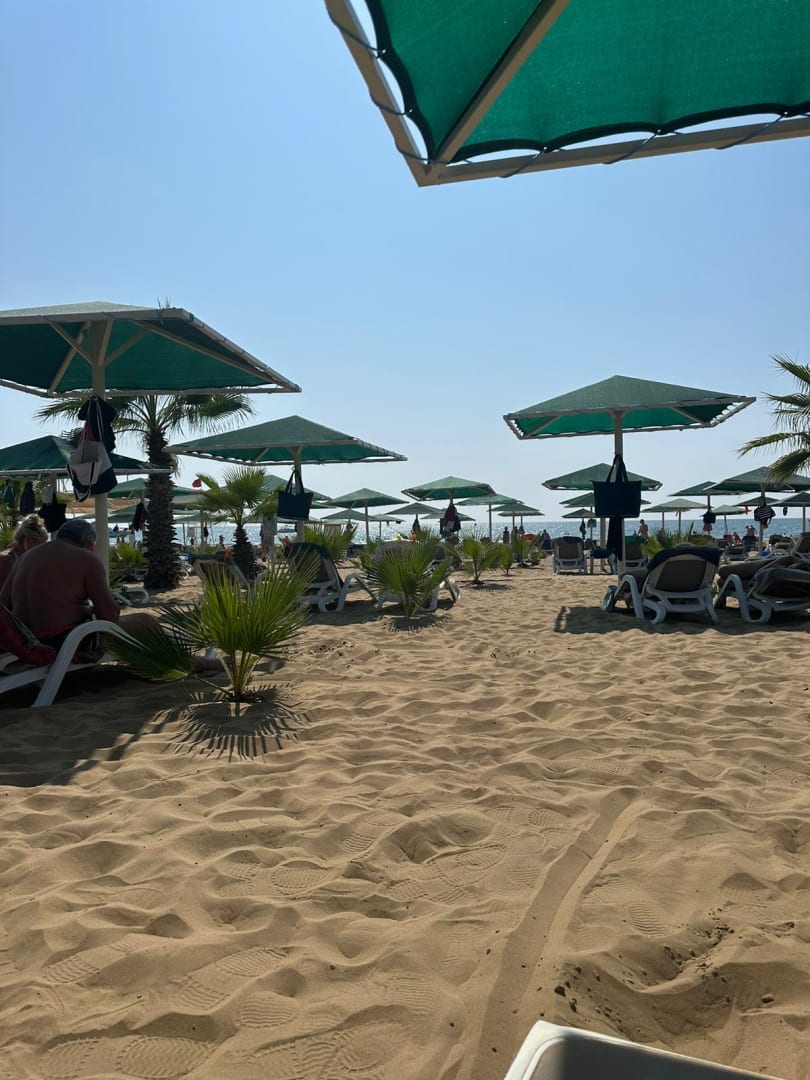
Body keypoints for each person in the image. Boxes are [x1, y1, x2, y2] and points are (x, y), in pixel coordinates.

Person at [0, 519, 218, 671]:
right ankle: (196, 664)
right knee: (144, 621)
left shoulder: (24, 559)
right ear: (87, 543)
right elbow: (109, 617)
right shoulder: (85, 558)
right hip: (64, 642)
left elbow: (4, 603)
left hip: (27, 640)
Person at [0, 514, 49, 592]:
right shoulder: (5, 559)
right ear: (28, 540)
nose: (41, 548)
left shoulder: (33, 558)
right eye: (39, 543)